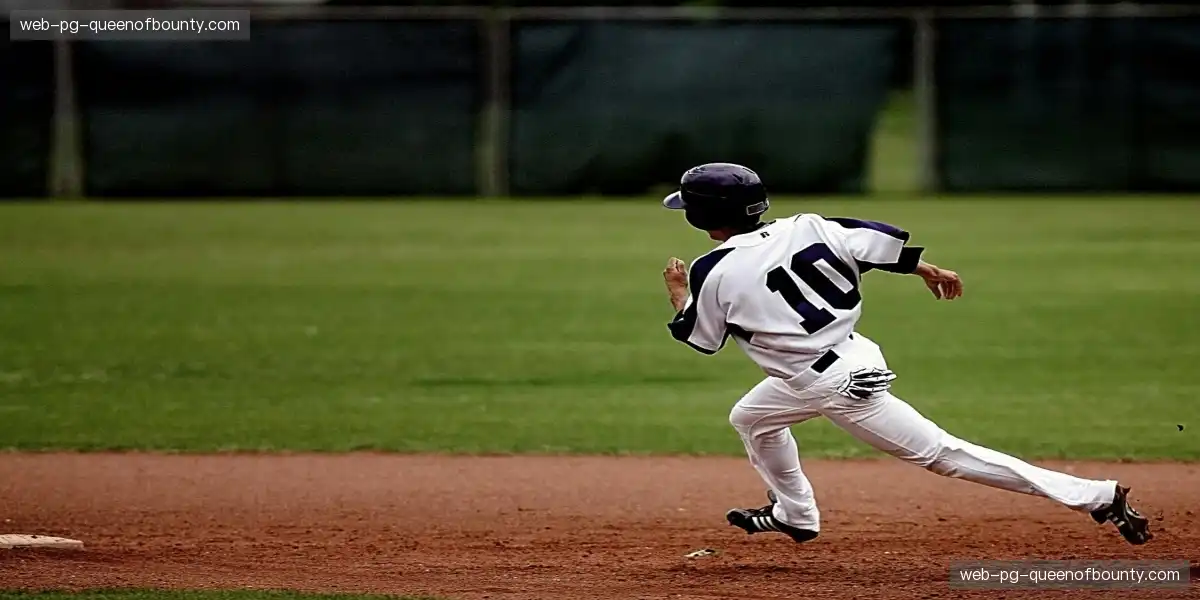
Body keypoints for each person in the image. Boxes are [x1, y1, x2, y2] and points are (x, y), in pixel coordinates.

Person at [659, 162, 1151, 546]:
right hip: (844, 359)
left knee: (943, 454)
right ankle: (796, 514)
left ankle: (1094, 496)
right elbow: (876, 244)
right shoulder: (808, 225)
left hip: (835, 385)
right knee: (752, 418)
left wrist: (679, 291)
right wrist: (927, 270)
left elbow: (701, 338)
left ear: (705, 217)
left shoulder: (714, 269)